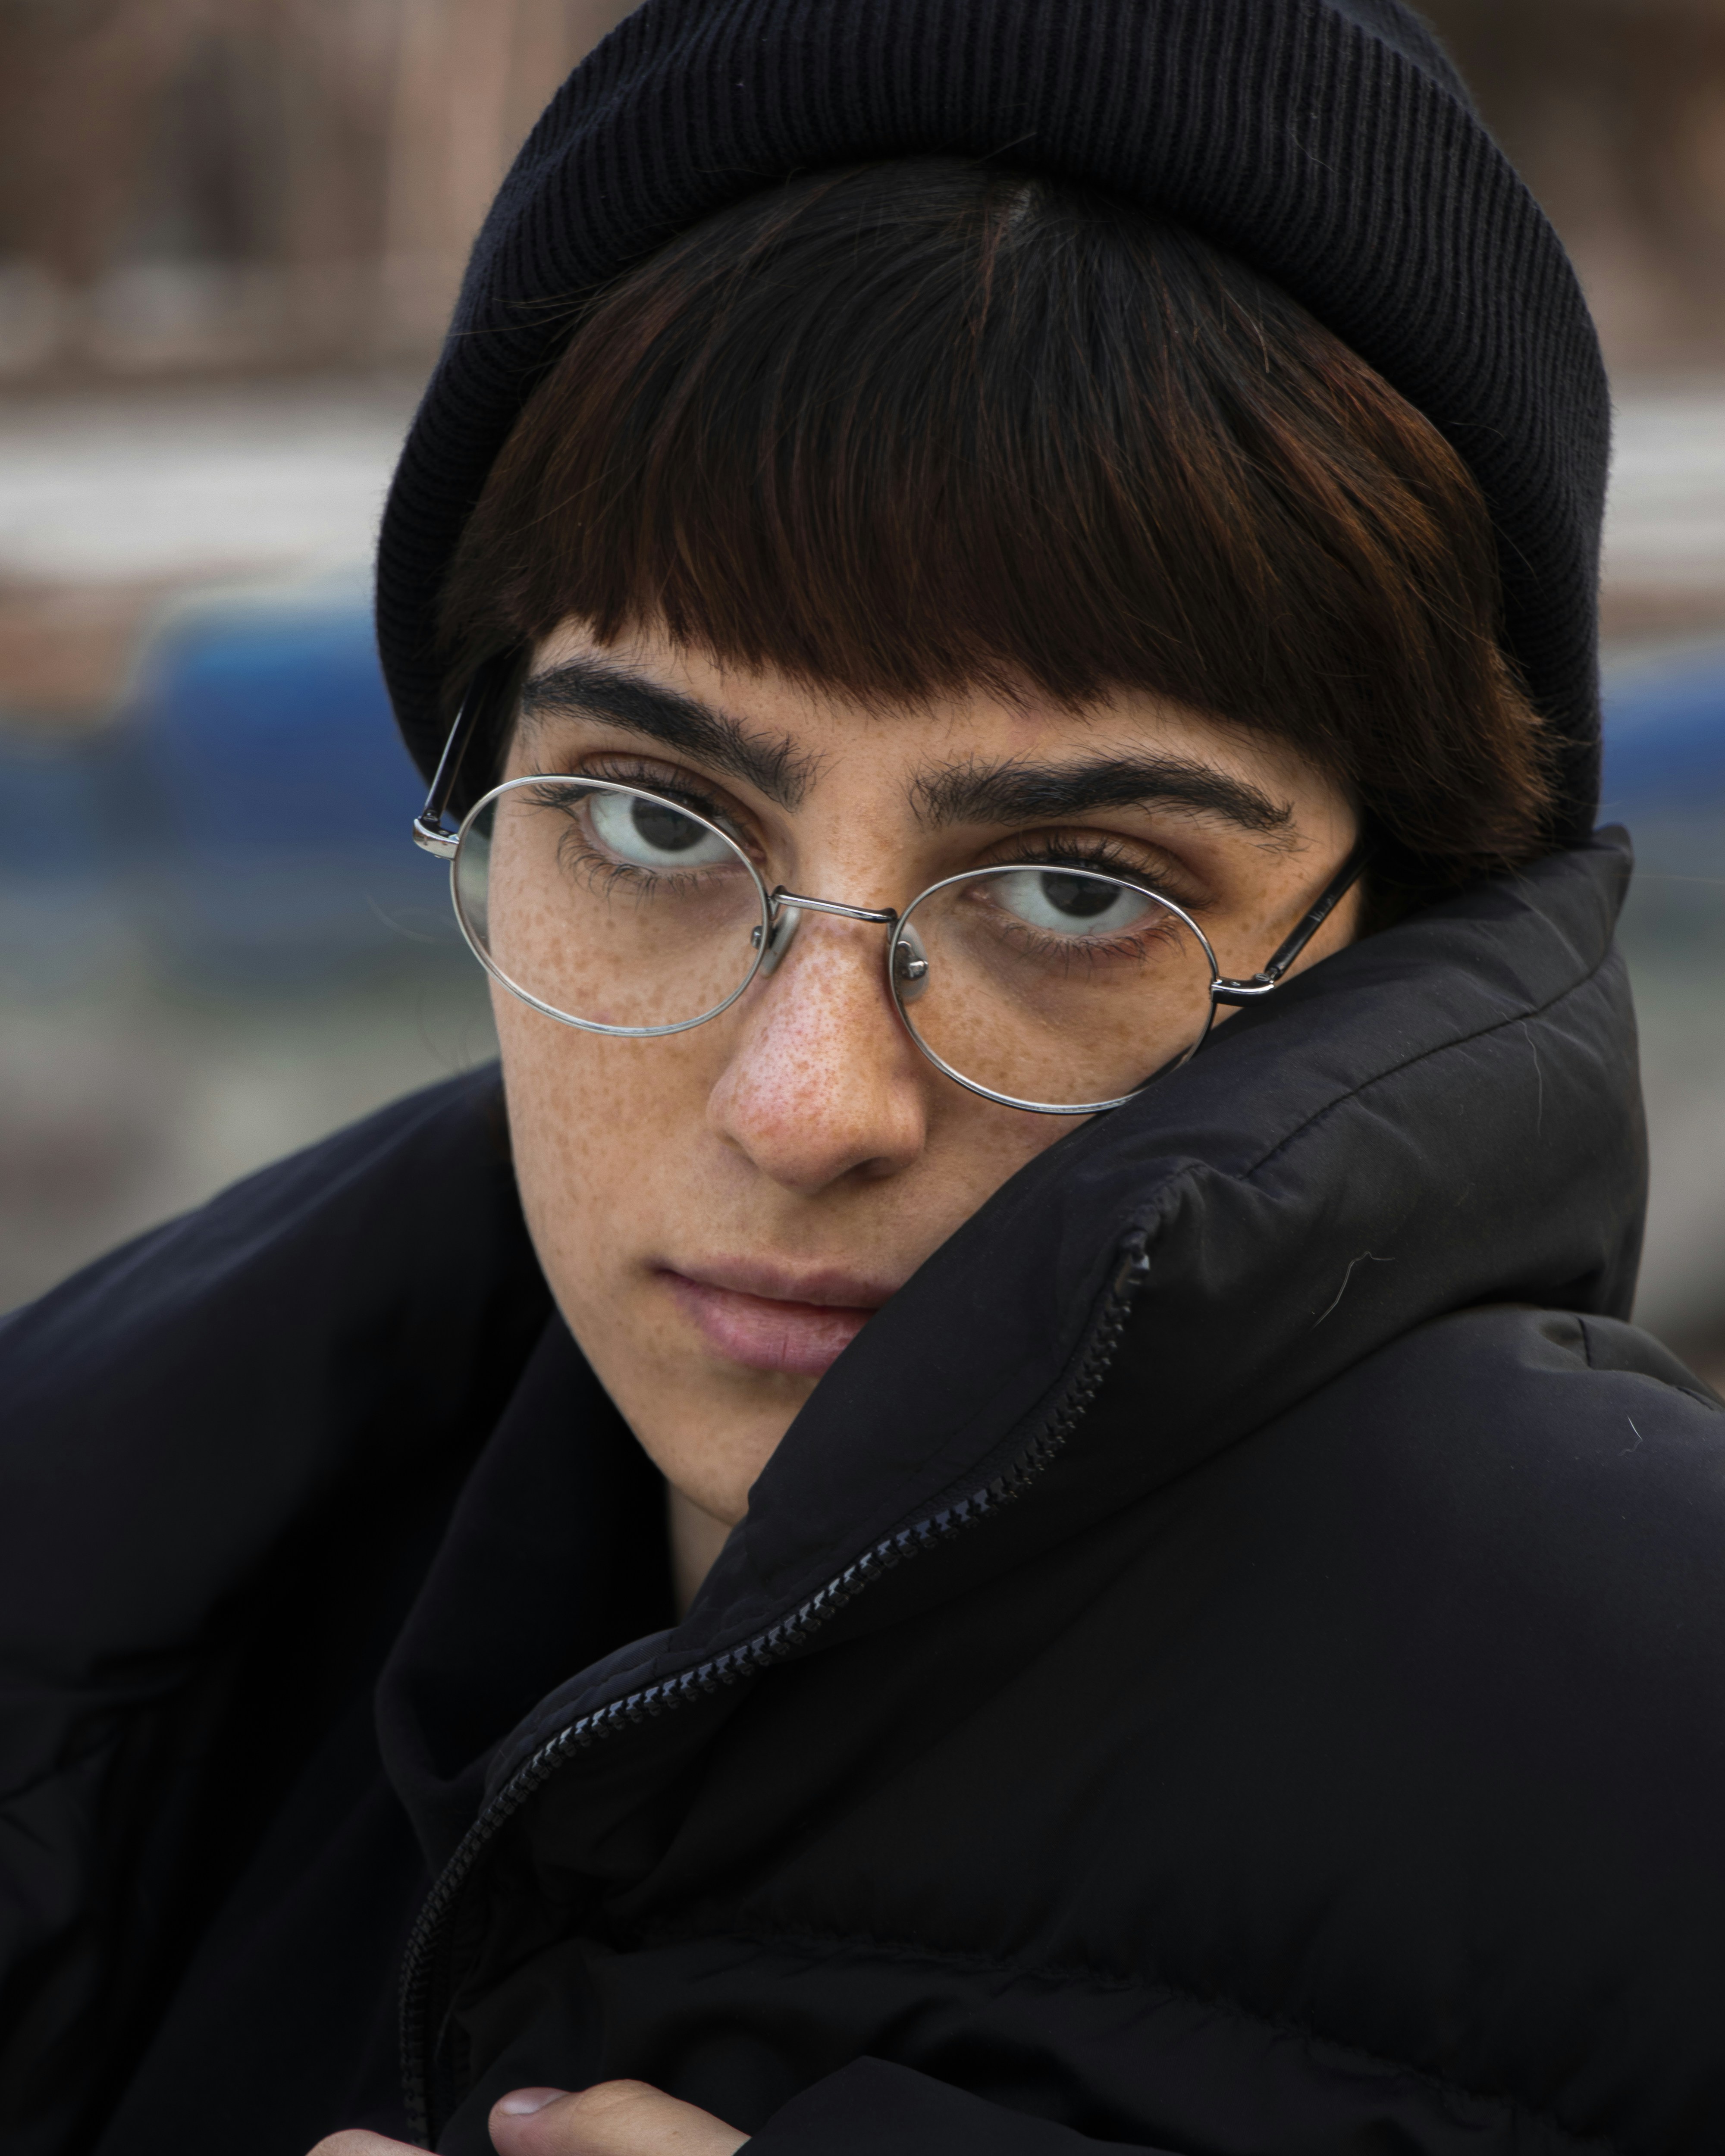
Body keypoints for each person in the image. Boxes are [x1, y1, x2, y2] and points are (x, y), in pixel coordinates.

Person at [4, 2, 1724, 2153]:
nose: (806, 1103)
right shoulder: (101, 1598)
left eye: (1082, 893)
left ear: (1412, 920)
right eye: (650, 823)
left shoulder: (1664, 1779)